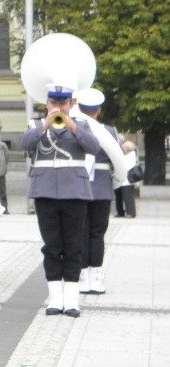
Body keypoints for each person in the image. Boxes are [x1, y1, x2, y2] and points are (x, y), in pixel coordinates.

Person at [22, 83, 100, 318]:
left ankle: (72, 299)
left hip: (75, 192)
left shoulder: (83, 125)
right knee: (52, 246)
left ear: (71, 104)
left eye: (62, 103)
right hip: (45, 191)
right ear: (47, 104)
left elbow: (94, 147)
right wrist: (46, 123)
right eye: (54, 102)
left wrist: (72, 125)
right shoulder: (36, 125)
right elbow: (25, 144)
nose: (58, 107)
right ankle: (55, 298)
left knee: (73, 245)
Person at [76, 88, 119, 295]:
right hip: (101, 187)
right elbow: (117, 160)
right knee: (97, 234)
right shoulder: (109, 131)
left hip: (79, 187)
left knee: (81, 233)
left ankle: (83, 276)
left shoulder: (74, 128)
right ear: (99, 110)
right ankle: (96, 277)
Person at [115, 141, 137, 218]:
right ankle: (123, 212)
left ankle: (130, 213)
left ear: (127, 148)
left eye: (123, 147)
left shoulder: (129, 156)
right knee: (125, 196)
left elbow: (124, 166)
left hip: (127, 181)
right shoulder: (130, 155)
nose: (122, 148)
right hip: (125, 180)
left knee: (128, 197)